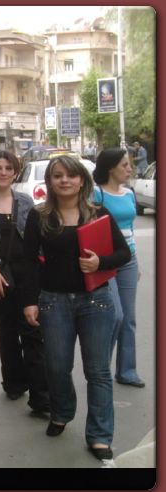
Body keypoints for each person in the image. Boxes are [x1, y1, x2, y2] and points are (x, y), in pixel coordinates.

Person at [22, 155, 130, 461]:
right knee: (57, 366)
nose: (64, 180)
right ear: (50, 182)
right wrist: (29, 301)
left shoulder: (98, 213)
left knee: (98, 371)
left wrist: (100, 262)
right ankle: (62, 411)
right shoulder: (39, 216)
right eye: (57, 176)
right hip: (53, 302)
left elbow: (123, 253)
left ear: (82, 180)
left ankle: (99, 435)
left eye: (70, 175)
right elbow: (28, 262)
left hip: (96, 301)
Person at [0, 151, 49, 412]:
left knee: (33, 330)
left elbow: (36, 239)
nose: (3, 172)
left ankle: (41, 395)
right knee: (7, 331)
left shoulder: (25, 201)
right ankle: (14, 383)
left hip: (27, 274)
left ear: (16, 172)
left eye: (9, 168)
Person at [93, 148, 144, 388]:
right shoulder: (96, 194)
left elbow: (130, 230)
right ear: (110, 167)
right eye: (124, 165)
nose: (129, 169)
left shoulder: (129, 194)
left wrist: (137, 261)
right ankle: (100, 368)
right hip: (105, 261)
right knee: (115, 316)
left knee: (129, 319)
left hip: (129, 260)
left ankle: (127, 371)